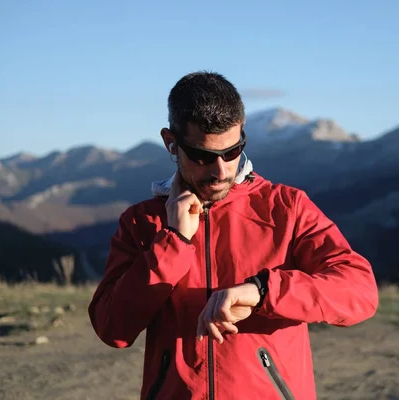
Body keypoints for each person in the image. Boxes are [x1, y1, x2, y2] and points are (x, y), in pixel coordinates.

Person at [88, 71, 379, 400]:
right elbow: (112, 328)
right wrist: (173, 242)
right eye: (203, 156)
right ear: (171, 143)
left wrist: (263, 291)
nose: (221, 170)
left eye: (232, 152)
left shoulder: (287, 208)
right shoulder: (142, 222)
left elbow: (359, 292)